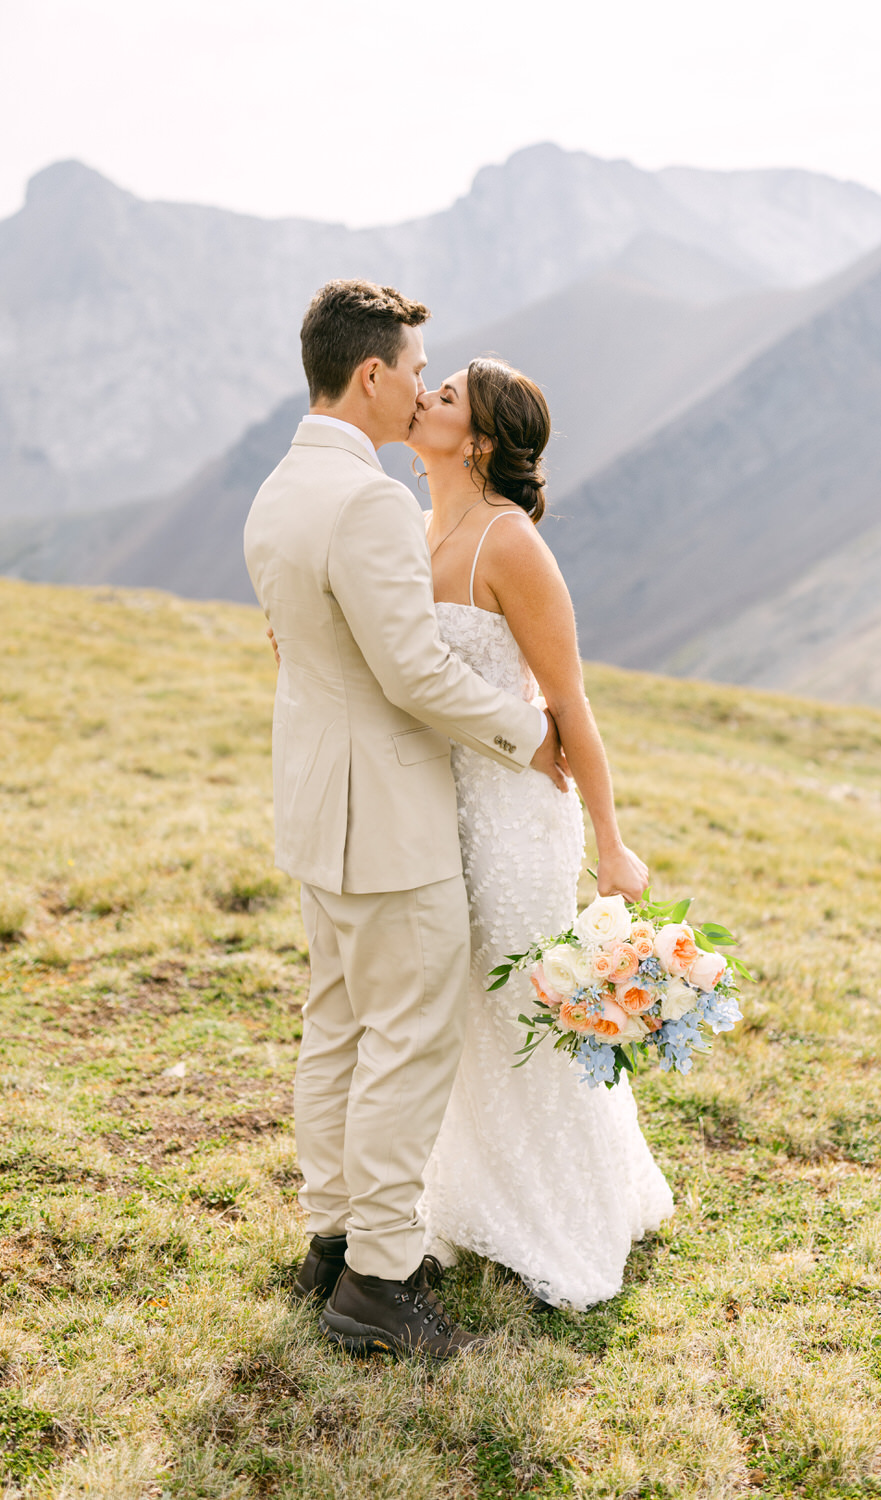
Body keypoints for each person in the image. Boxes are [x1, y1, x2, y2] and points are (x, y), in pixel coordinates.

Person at [244, 280, 573, 1359]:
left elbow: (302, 656)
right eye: (417, 373)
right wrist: (528, 739)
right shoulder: (375, 501)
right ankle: (382, 1282)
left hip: (314, 813)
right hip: (387, 819)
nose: (425, 390)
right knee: (409, 1040)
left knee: (336, 1027)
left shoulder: (280, 489)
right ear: (374, 374)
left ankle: (332, 1239)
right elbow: (415, 672)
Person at [406, 359, 674, 1308]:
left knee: (520, 1005)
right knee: (458, 1011)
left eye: (444, 398)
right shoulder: (417, 522)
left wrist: (613, 843)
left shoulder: (509, 543)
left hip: (517, 819)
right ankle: (469, 1197)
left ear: (477, 440)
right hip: (435, 812)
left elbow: (571, 705)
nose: (424, 398)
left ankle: (567, 1215)